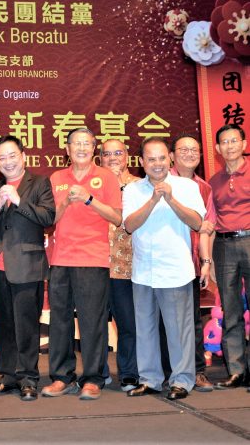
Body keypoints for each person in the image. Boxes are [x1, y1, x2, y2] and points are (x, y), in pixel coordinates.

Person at [42, 128, 122, 401]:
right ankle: (61, 377)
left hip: (93, 258)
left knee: (92, 322)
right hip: (61, 259)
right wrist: (67, 200)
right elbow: (50, 220)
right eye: (76, 143)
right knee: (60, 321)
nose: (81, 148)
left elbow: (117, 217)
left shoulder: (106, 177)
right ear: (67, 149)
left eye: (87, 143)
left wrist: (89, 199)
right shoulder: (56, 178)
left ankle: (93, 378)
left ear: (94, 148)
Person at [124, 137, 205, 401]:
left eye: (161, 158)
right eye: (151, 159)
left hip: (175, 269)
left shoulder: (186, 186)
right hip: (143, 270)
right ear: (141, 162)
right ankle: (150, 379)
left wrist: (170, 199)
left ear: (169, 158)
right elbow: (129, 226)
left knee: (179, 330)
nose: (157, 164)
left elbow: (197, 222)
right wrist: (152, 200)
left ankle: (182, 380)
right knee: (145, 329)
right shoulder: (133, 189)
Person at [0, 135, 55, 401]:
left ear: (23, 156)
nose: (8, 162)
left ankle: (28, 378)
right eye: (1, 158)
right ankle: (7, 377)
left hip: (27, 265)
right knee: (3, 325)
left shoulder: (39, 183)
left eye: (12, 155)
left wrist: (18, 200)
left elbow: (48, 217)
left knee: (26, 325)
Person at [169, 135, 216, 392]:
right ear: (172, 155)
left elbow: (206, 228)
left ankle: (197, 371)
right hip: (165, 261)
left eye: (194, 150)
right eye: (183, 149)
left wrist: (206, 262)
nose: (189, 153)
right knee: (164, 320)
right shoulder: (161, 181)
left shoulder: (204, 188)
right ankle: (168, 371)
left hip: (192, 261)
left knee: (193, 319)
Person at [209, 124, 250, 390]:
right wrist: (210, 260)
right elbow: (211, 221)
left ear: (244, 144)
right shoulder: (214, 181)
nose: (229, 146)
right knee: (230, 310)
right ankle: (237, 370)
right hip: (223, 245)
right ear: (217, 148)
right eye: (224, 142)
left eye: (234, 140)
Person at [99, 138, 140, 392]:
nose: (112, 158)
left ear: (127, 156)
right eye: (107, 154)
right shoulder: (93, 184)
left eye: (118, 153)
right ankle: (98, 372)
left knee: (128, 324)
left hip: (128, 266)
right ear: (100, 159)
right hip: (95, 263)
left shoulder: (140, 185)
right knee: (95, 325)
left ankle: (129, 373)